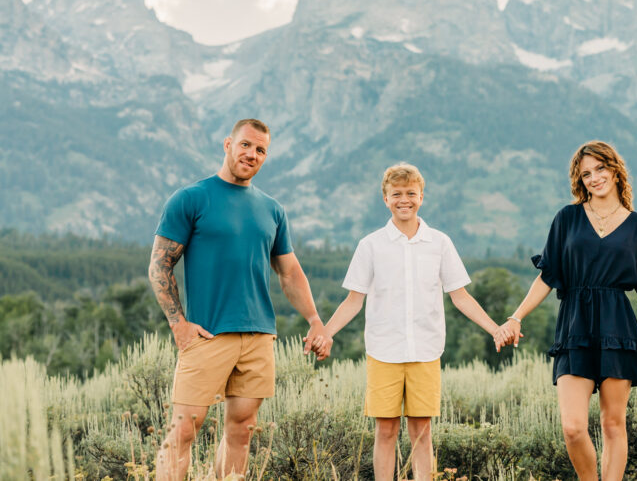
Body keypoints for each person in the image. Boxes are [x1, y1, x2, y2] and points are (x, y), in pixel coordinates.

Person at [496, 141, 637, 481]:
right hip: (575, 325)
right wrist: (516, 317)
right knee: (573, 427)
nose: (594, 178)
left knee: (612, 423)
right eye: (586, 174)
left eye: (600, 169)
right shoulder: (568, 218)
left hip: (618, 327)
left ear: (616, 170)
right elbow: (547, 277)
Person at [148, 119, 330, 481]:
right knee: (183, 430)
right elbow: (159, 266)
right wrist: (177, 324)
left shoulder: (273, 209)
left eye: (261, 150)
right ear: (228, 143)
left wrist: (315, 320)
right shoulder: (191, 198)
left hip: (258, 336)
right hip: (207, 334)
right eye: (246, 145)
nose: (252, 154)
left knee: (242, 431)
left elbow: (290, 273)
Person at [310, 163, 507, 481]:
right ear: (385, 199)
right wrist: (325, 333)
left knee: (421, 433)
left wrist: (496, 328)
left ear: (422, 196)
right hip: (383, 351)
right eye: (396, 194)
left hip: (426, 352)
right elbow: (353, 301)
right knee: (385, 431)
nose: (405, 200)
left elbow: (461, 296)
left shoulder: (439, 243)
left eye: (411, 193)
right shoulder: (370, 245)